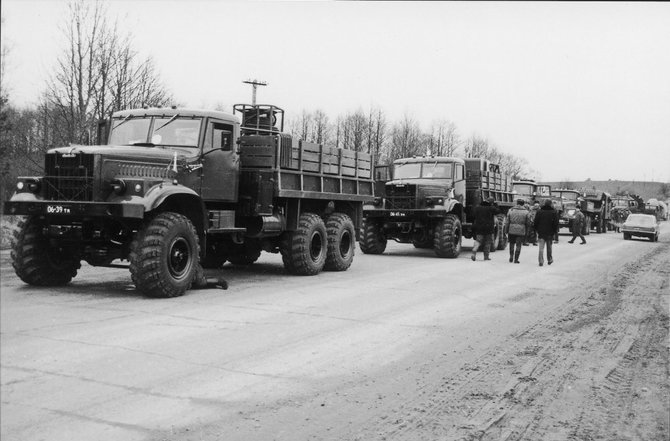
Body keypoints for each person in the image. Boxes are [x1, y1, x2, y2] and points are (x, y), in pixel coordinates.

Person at [471, 197, 500, 261]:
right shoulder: (491, 208)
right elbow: (498, 211)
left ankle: (474, 250)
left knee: (478, 240)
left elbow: (473, 214)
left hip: (479, 227)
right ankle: (486, 257)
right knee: (488, 242)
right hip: (489, 228)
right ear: (491, 203)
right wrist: (495, 205)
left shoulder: (478, 208)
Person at [534, 198, 559, 266]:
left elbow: (536, 221)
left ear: (544, 204)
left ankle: (541, 261)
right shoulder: (554, 212)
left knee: (541, 248)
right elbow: (556, 223)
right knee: (549, 247)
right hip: (550, 233)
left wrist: (536, 229)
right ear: (551, 204)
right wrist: (554, 231)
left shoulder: (539, 211)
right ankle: (549, 260)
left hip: (541, 232)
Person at [504, 199, 530, 263]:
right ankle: (516, 259)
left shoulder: (510, 210)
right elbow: (528, 223)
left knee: (512, 243)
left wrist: (506, 230)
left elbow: (507, 222)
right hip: (521, 230)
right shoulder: (526, 212)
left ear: (517, 203)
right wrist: (526, 231)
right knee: (518, 245)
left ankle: (511, 257)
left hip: (511, 229)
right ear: (523, 204)